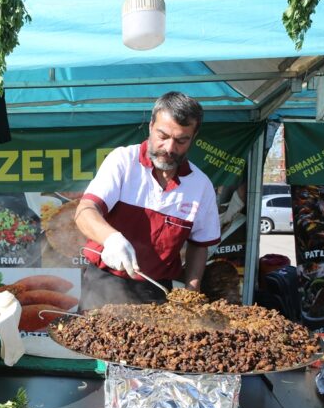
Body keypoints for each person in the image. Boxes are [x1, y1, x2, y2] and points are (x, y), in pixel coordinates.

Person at [75, 91, 220, 310]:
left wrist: (192, 293)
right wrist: (111, 238)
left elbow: (199, 246)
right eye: (163, 136)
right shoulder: (123, 161)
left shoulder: (201, 186)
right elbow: (85, 211)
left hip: (156, 291)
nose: (170, 148)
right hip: (103, 283)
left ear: (194, 137)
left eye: (181, 140)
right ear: (151, 126)